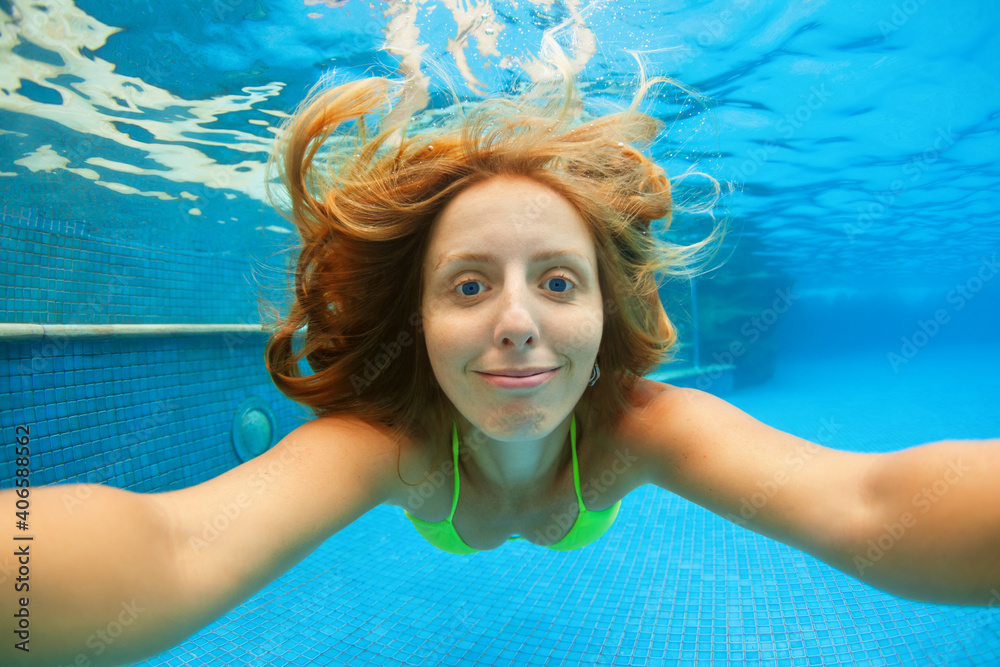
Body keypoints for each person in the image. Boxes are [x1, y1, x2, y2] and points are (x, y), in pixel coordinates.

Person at [2, 69, 998, 667]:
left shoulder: (639, 426)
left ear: (605, 315)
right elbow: (172, 546)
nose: (517, 323)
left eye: (558, 282)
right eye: (469, 285)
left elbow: (869, 502)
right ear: (419, 321)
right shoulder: (390, 446)